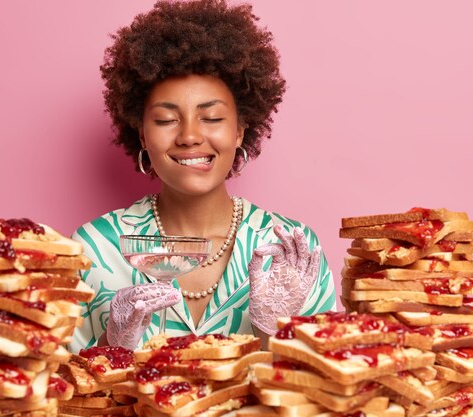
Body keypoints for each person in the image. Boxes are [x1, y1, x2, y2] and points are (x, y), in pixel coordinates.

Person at [70, 0, 336, 352]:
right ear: (142, 135)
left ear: (240, 130)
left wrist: (273, 334)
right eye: (166, 120)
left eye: (211, 118)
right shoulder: (93, 248)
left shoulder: (291, 251)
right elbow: (57, 391)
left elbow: (325, 391)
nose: (190, 136)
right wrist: (111, 345)